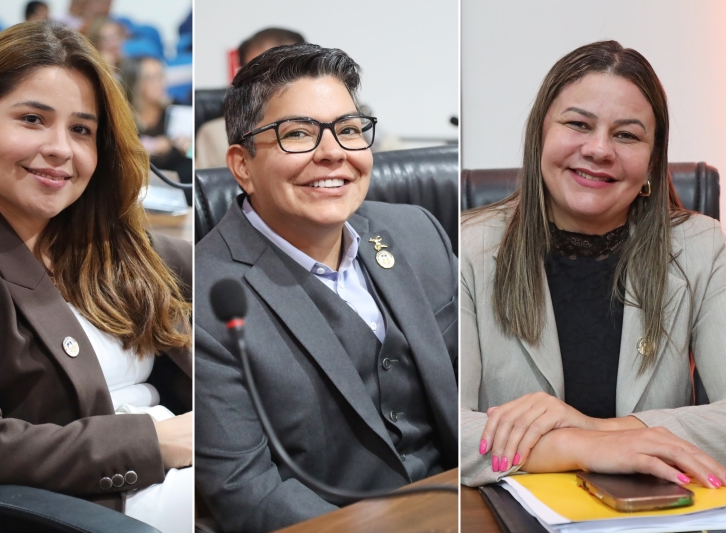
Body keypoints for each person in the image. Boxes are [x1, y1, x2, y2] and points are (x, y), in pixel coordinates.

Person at [0, 21, 192, 533]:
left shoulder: (109, 241)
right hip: (96, 505)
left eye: (81, 130)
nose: (60, 148)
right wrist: (158, 441)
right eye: (33, 119)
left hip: (192, 464)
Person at [195, 43, 458, 533]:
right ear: (242, 165)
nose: (334, 153)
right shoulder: (206, 296)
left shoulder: (419, 233)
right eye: (298, 133)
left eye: (349, 130)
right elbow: (249, 493)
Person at [461, 40, 726, 490]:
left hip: (656, 512)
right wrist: (581, 446)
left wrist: (598, 428)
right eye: (578, 124)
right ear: (540, 134)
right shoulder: (469, 246)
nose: (600, 149)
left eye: (627, 135)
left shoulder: (701, 246)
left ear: (652, 160)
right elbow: (450, 429)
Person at [194, 28, 306, 169]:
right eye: (256, 72)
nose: (270, 81)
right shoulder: (215, 135)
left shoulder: (329, 124)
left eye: (283, 71)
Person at [120, 55, 192, 204]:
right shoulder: (122, 117)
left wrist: (188, 149)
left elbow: (194, 154)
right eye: (152, 78)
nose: (160, 83)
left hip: (178, 190)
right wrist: (155, 147)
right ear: (135, 82)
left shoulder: (177, 110)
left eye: (161, 76)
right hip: (136, 191)